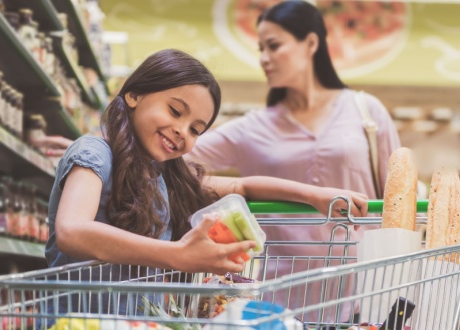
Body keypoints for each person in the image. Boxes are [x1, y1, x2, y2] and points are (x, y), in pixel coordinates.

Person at [46, 48, 369, 282]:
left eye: (196, 129)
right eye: (175, 111)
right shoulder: (95, 153)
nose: (181, 131)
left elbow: (243, 186)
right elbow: (73, 231)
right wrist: (178, 254)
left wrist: (315, 196)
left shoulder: (162, 175)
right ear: (134, 95)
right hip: (77, 318)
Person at [184, 1, 401, 323]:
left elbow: (396, 197)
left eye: (274, 46)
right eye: (260, 49)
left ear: (311, 43)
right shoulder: (251, 128)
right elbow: (173, 160)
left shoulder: (366, 111)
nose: (264, 59)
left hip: (363, 288)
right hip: (278, 292)